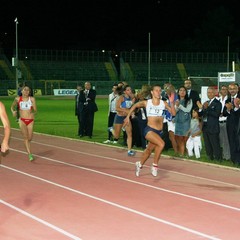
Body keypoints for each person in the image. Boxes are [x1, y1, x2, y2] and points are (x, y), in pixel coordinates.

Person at [124, 85, 176, 177]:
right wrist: (128, 116)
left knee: (148, 151)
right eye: (156, 90)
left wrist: (171, 103)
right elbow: (135, 105)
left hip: (159, 131)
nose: (158, 92)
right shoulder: (147, 103)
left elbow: (173, 113)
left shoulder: (163, 103)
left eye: (160, 90)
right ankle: (155, 166)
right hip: (149, 130)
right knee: (161, 144)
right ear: (152, 92)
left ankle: (139, 164)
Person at [11, 85, 37, 161]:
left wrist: (32, 110)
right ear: (21, 91)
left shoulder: (32, 99)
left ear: (30, 92)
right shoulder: (17, 99)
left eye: (28, 90)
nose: (26, 91)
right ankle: (29, 154)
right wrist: (13, 111)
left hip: (30, 120)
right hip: (22, 120)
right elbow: (12, 107)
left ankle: (28, 147)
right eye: (25, 90)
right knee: (25, 137)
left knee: (30, 137)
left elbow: (35, 110)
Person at [109, 84, 136, 156]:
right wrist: (127, 111)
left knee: (129, 134)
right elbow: (117, 108)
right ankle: (111, 129)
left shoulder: (132, 98)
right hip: (119, 117)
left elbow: (132, 106)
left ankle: (129, 151)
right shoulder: (121, 98)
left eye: (130, 89)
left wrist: (131, 112)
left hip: (126, 118)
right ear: (124, 92)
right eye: (128, 90)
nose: (130, 91)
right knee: (116, 136)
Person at [198, 86, 222, 161]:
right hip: (205, 126)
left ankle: (218, 158)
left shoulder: (218, 103)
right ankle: (210, 157)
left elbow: (216, 114)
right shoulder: (206, 102)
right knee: (207, 143)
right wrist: (200, 108)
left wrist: (208, 108)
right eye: (208, 92)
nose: (210, 94)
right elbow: (201, 114)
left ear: (215, 93)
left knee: (215, 143)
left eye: (211, 92)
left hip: (213, 126)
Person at [223, 83, 240, 164]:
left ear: (237, 89)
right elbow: (224, 113)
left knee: (238, 142)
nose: (232, 90)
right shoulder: (227, 100)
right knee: (231, 142)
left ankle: (238, 160)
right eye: (230, 89)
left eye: (234, 88)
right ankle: (234, 160)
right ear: (228, 90)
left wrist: (236, 107)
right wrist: (228, 110)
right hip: (230, 125)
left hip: (238, 125)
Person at [174, 86, 192, 157]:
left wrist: (179, 106)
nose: (182, 92)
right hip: (178, 121)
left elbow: (188, 110)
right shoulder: (176, 100)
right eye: (180, 90)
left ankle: (188, 153)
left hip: (186, 121)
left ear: (186, 92)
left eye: (184, 90)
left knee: (185, 138)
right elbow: (175, 111)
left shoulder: (189, 100)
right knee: (178, 137)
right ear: (178, 92)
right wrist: (176, 106)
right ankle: (181, 153)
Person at [217, 85, 231, 161]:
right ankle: (222, 155)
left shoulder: (229, 100)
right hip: (218, 122)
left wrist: (222, 113)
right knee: (220, 140)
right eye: (223, 89)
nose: (224, 91)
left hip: (225, 122)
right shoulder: (218, 100)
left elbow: (228, 111)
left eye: (226, 89)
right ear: (220, 91)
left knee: (226, 140)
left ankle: (227, 156)